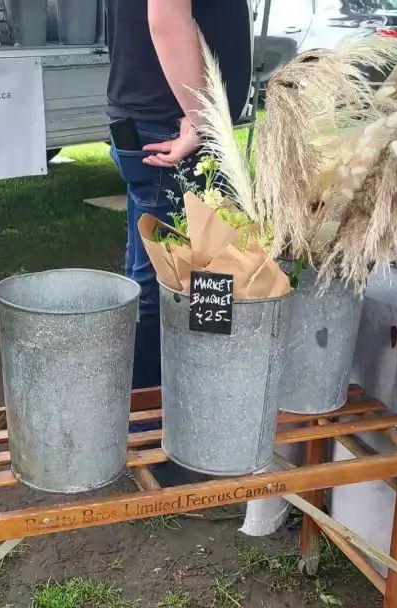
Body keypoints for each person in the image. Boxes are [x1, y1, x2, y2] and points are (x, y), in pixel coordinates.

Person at [107, 0, 251, 389]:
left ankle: (150, 415)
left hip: (163, 123)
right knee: (198, 284)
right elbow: (167, 18)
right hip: (176, 129)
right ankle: (182, 417)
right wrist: (204, 122)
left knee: (153, 280)